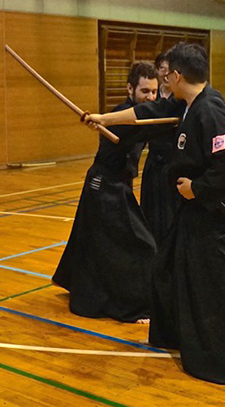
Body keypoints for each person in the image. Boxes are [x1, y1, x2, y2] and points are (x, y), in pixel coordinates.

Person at [82, 43, 225, 389]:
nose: (165, 83)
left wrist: (196, 187)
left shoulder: (209, 110)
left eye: (167, 77)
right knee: (166, 269)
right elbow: (146, 113)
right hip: (193, 214)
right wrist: (104, 118)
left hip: (217, 216)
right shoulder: (187, 104)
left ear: (177, 75)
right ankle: (178, 337)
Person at [52, 62, 159, 323]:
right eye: (145, 91)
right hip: (104, 186)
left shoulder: (138, 113)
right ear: (130, 88)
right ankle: (130, 306)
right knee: (142, 245)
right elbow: (143, 118)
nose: (151, 97)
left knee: (91, 241)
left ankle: (82, 286)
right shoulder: (124, 115)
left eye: (155, 92)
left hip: (111, 184)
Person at [140, 53, 178, 245]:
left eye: (168, 69)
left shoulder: (181, 98)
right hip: (154, 160)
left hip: (173, 161)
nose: (165, 73)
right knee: (151, 209)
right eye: (162, 69)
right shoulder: (152, 95)